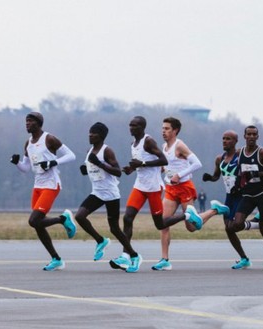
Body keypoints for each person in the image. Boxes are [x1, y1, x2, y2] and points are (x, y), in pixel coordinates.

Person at [113, 116, 200, 273]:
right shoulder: (134, 144)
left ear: (142, 127)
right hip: (140, 186)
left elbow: (162, 161)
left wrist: (144, 164)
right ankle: (127, 255)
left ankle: (187, 215)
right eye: (130, 125)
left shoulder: (149, 141)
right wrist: (131, 168)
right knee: (127, 218)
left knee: (160, 224)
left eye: (134, 126)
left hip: (154, 188)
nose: (131, 128)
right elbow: (144, 164)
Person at [9, 111, 77, 271]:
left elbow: (71, 155)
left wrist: (53, 162)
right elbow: (26, 168)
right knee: (38, 225)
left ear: (39, 123)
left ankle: (63, 219)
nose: (27, 124)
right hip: (38, 186)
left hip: (51, 184)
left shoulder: (49, 139)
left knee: (33, 221)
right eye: (26, 121)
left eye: (30, 121)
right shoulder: (28, 143)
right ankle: (56, 259)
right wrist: (17, 163)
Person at [73, 122, 142, 268]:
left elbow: (117, 172)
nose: (90, 135)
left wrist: (99, 164)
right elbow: (92, 169)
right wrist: (85, 170)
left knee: (115, 229)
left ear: (101, 136)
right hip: (97, 193)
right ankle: (100, 240)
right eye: (89, 132)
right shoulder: (89, 151)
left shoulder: (107, 151)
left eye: (94, 133)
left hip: (111, 194)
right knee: (79, 216)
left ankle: (135, 256)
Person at [224, 125, 263, 270]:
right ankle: (256, 223)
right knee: (235, 225)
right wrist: (236, 185)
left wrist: (257, 174)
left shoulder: (262, 153)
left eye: (254, 134)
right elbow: (239, 172)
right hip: (247, 194)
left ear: (257, 136)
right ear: (244, 136)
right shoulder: (239, 153)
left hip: (262, 194)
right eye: (248, 134)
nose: (251, 137)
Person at [153, 116, 204, 271]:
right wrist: (162, 170)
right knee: (163, 222)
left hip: (184, 188)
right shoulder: (164, 146)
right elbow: (169, 165)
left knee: (191, 227)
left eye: (167, 129)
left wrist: (179, 175)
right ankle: (164, 259)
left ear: (175, 131)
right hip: (171, 188)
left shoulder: (179, 145)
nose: (163, 131)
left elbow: (197, 164)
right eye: (162, 128)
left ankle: (215, 210)